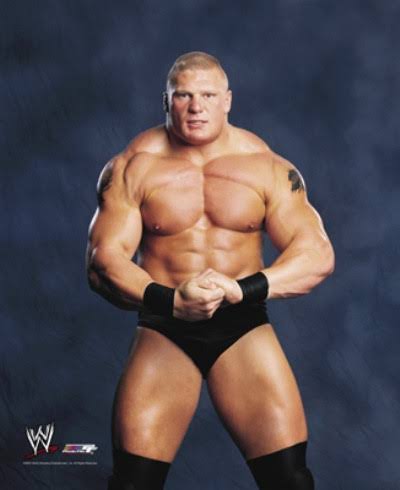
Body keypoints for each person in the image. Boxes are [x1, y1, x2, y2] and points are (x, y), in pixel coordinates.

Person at [86, 51, 334, 490]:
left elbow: (316, 255)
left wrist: (243, 290)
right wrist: (170, 301)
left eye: (208, 95)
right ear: (166, 101)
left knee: (290, 481)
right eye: (183, 95)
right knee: (132, 484)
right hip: (165, 325)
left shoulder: (267, 166)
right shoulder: (132, 166)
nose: (196, 107)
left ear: (228, 100)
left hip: (242, 325)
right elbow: (102, 263)